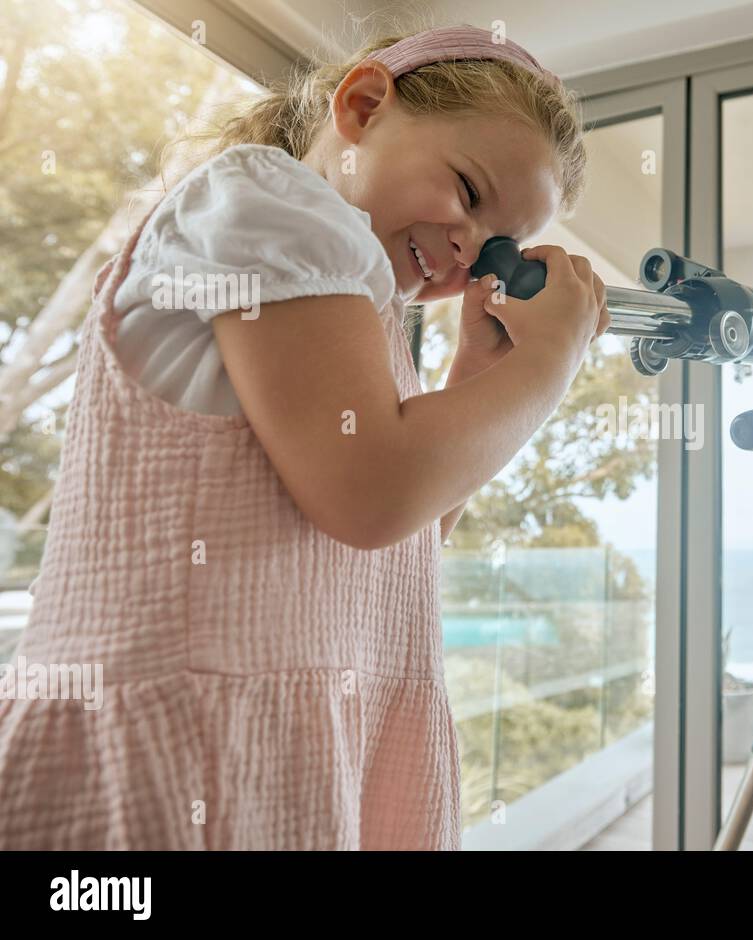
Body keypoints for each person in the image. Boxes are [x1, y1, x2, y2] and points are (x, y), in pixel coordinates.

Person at [0, 23, 607, 850]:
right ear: (361, 106)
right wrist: (549, 367)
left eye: (495, 244)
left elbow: (401, 544)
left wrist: (475, 374)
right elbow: (369, 495)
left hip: (309, 752)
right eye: (467, 191)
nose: (471, 249)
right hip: (185, 756)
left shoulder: (363, 313)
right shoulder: (268, 204)